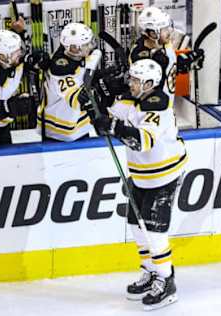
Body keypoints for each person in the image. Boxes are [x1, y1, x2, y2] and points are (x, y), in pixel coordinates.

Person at [90, 59, 187, 310]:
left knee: (154, 231)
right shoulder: (132, 99)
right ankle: (150, 270)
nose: (130, 83)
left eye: (135, 80)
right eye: (131, 79)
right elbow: (111, 112)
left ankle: (166, 281)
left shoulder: (158, 105)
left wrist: (111, 126)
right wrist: (94, 107)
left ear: (149, 84)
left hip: (163, 176)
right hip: (142, 175)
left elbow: (142, 142)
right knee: (136, 225)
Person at [39, 22, 126, 142]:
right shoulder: (60, 69)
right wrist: (98, 90)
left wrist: (104, 74)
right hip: (59, 130)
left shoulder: (75, 54)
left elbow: (82, 76)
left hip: (77, 126)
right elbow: (76, 98)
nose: (91, 46)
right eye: (87, 44)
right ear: (74, 48)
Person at [129, 6, 204, 108]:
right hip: (151, 110)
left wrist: (190, 59)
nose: (169, 32)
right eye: (164, 29)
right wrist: (183, 62)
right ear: (152, 33)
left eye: (167, 27)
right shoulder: (140, 54)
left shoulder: (162, 43)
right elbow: (159, 69)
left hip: (167, 105)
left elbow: (171, 66)